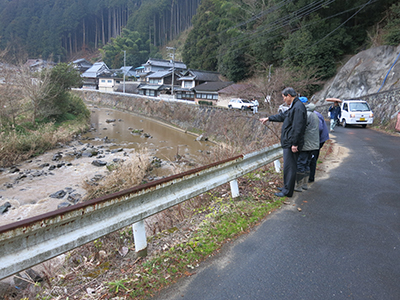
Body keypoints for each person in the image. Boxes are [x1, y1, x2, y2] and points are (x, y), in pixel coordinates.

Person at [259, 87, 307, 198]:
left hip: (291, 143)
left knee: (289, 167)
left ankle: (287, 191)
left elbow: (298, 127)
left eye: (284, 97)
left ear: (289, 95)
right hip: (289, 142)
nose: (284, 100)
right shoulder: (295, 106)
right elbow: (283, 116)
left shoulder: (298, 107)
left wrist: (295, 144)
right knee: (287, 166)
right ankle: (286, 187)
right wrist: (269, 118)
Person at [295, 98, 320, 192]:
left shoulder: (306, 114)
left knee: (301, 163)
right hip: (313, 145)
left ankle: (298, 185)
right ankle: (305, 184)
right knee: (307, 163)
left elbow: (301, 129)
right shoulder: (314, 114)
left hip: (306, 144)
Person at [309, 109, 330, 183]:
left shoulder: (314, 115)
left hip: (318, 139)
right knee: (312, 156)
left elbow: (319, 128)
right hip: (319, 138)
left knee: (313, 156)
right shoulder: (315, 113)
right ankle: (310, 176)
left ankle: (310, 177)